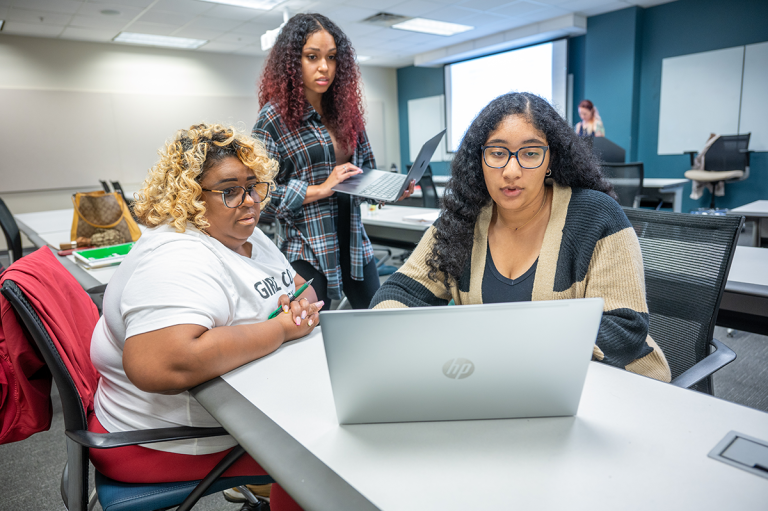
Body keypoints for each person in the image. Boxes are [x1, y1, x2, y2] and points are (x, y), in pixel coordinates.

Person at [89, 123, 319, 510]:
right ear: (190, 197)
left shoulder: (242, 231)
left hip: (232, 411)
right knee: (324, 456)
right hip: (164, 439)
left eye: (253, 184)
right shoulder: (177, 255)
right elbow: (158, 365)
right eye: (229, 190)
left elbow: (302, 290)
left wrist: (298, 307)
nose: (249, 201)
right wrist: (279, 329)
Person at [370, 92, 671, 382]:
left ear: (551, 159)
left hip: (610, 386)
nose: (511, 170)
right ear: (480, 160)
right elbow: (394, 296)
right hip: (500, 384)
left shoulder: (596, 216)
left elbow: (625, 328)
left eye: (530, 153)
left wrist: (505, 344)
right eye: (498, 153)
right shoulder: (463, 220)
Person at [252, 13, 414, 310]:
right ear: (292, 62)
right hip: (307, 245)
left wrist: (391, 190)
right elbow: (259, 195)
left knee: (377, 318)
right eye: (312, 57)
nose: (324, 67)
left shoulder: (347, 113)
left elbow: (363, 175)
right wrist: (320, 189)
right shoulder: (273, 119)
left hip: (352, 240)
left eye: (331, 57)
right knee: (312, 333)